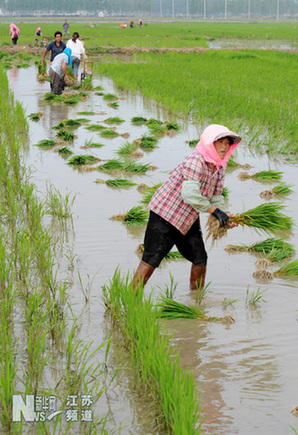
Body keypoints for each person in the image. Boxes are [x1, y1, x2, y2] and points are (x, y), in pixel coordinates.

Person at [131, 124, 241, 292]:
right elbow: (189, 195)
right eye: (220, 142)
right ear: (210, 143)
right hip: (165, 214)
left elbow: (216, 197)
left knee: (200, 258)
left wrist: (224, 216)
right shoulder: (195, 160)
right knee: (151, 259)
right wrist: (214, 211)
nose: (225, 147)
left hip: (187, 219)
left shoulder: (219, 168)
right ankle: (130, 299)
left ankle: (195, 302)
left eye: (227, 143)